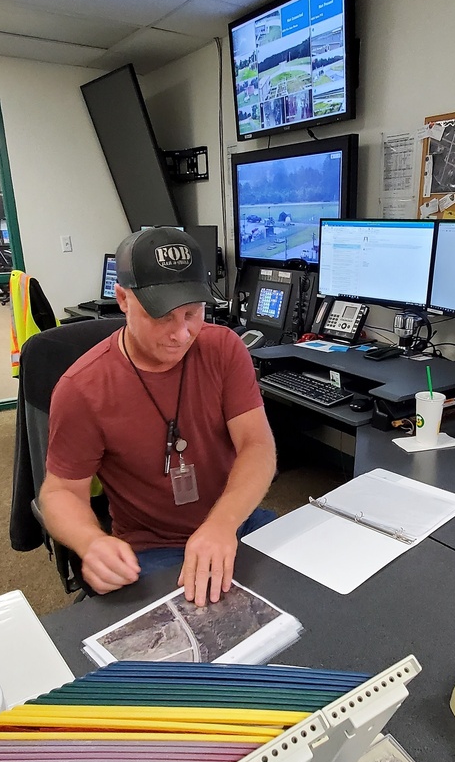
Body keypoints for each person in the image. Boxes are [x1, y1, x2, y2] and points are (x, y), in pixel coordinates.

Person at [40, 227, 277, 605]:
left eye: (192, 313)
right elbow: (60, 492)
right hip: (153, 547)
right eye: (163, 316)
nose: (182, 334)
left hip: (236, 518)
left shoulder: (224, 348)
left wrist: (221, 524)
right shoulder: (81, 388)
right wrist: (91, 542)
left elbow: (257, 444)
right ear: (122, 299)